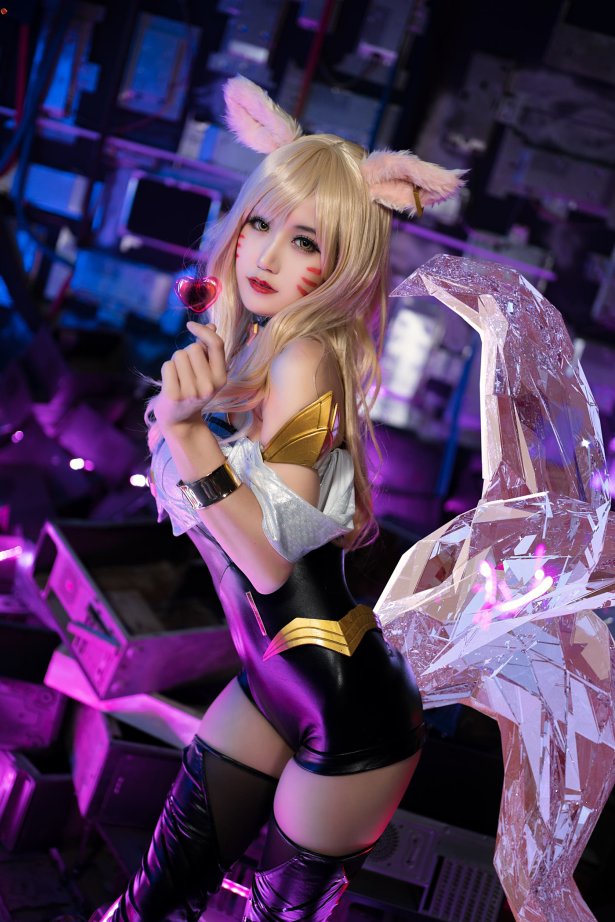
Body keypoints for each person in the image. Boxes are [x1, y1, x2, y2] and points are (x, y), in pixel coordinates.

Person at [91, 76, 463, 922]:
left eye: (304, 242)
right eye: (260, 224)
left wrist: (187, 436)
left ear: (344, 262)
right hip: (274, 677)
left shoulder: (305, 360)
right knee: (151, 901)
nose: (264, 257)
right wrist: (186, 424)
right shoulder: (259, 350)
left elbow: (272, 557)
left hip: (349, 709)